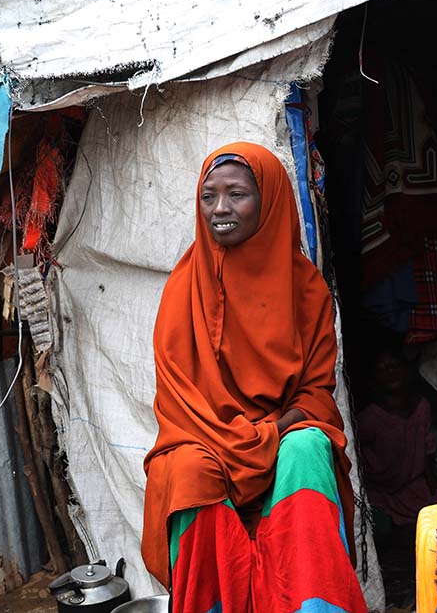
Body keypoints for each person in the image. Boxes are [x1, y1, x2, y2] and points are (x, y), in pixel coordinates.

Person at [142, 142, 367, 613]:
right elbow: (179, 400)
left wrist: (272, 432)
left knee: (308, 449)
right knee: (185, 472)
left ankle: (313, 604)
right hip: (206, 436)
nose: (220, 209)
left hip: (283, 427)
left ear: (269, 200)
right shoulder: (183, 288)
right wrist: (238, 439)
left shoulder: (306, 289)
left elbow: (316, 391)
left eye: (237, 194)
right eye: (209, 196)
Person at [357, 340, 437, 532]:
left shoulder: (421, 407)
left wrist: (433, 483)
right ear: (375, 378)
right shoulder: (371, 416)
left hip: (411, 486)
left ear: (406, 370)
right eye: (383, 369)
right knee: (376, 523)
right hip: (379, 490)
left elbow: (427, 447)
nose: (390, 373)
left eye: (394, 366)